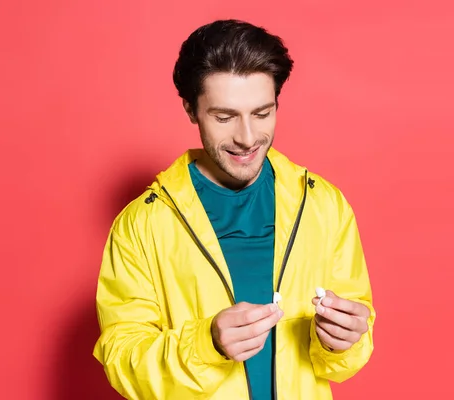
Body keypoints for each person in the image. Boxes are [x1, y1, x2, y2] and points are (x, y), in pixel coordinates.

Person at [93, 19, 375, 400]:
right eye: (224, 117)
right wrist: (206, 344)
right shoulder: (141, 225)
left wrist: (342, 340)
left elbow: (345, 355)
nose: (246, 137)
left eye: (262, 113)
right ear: (191, 110)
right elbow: (123, 362)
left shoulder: (325, 206)